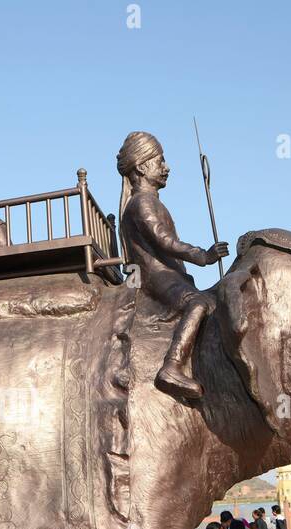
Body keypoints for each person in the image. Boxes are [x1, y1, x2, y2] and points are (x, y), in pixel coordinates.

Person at [116, 130, 228, 398]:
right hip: (157, 278)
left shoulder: (152, 202)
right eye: (160, 161)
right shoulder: (141, 203)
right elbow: (164, 241)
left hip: (170, 275)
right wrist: (202, 255)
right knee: (197, 303)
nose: (166, 167)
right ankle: (172, 366)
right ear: (142, 167)